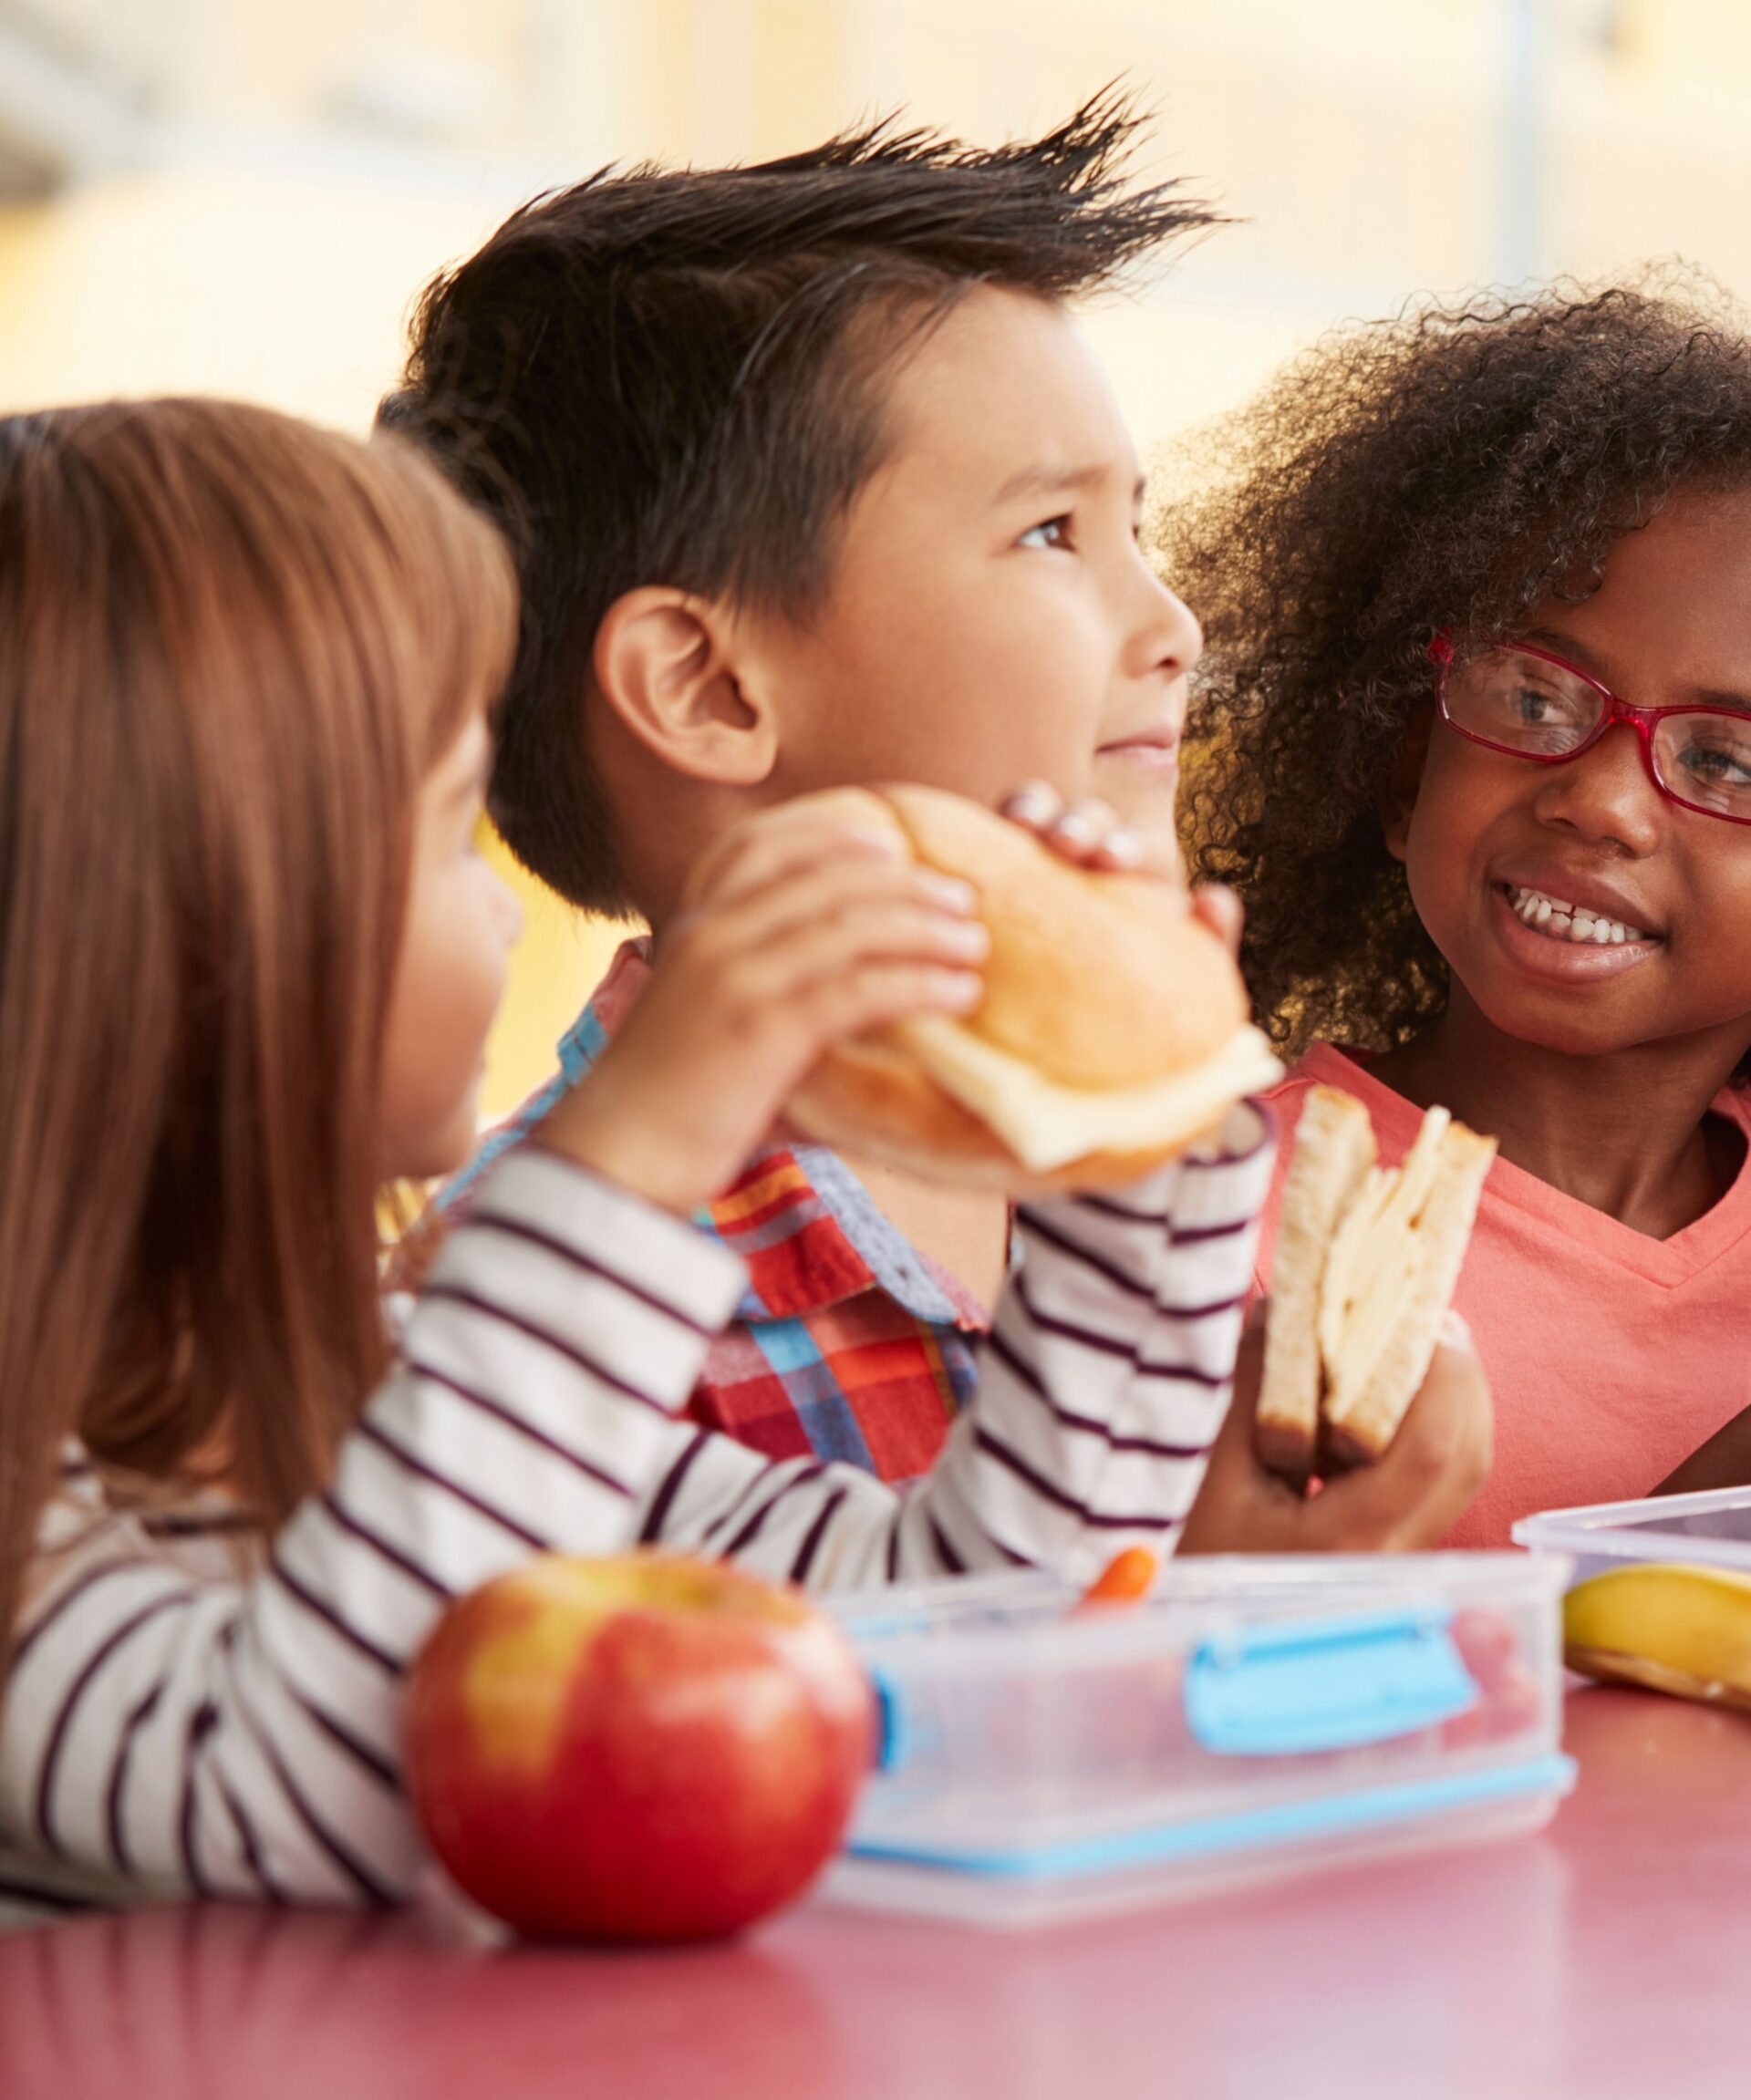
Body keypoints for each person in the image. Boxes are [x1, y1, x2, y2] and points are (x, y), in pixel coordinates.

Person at [0, 398, 1483, 1918]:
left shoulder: (382, 1385)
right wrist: (630, 1148)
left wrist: (1135, 1123)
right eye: (453, 834)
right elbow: (306, 1791)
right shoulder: (48, 1520)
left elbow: (989, 1630)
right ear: (181, 944)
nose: (508, 913)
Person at [378, 96, 1238, 1482]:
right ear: (710, 690)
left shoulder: (1182, 1194)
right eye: (1050, 532)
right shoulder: (517, 1346)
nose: (1173, 625)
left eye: (1135, 526)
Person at [1157, 274, 1751, 1545]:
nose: (1603, 802)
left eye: (1731, 763)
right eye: (1535, 696)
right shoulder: (1193, 1229)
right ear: (1397, 764)